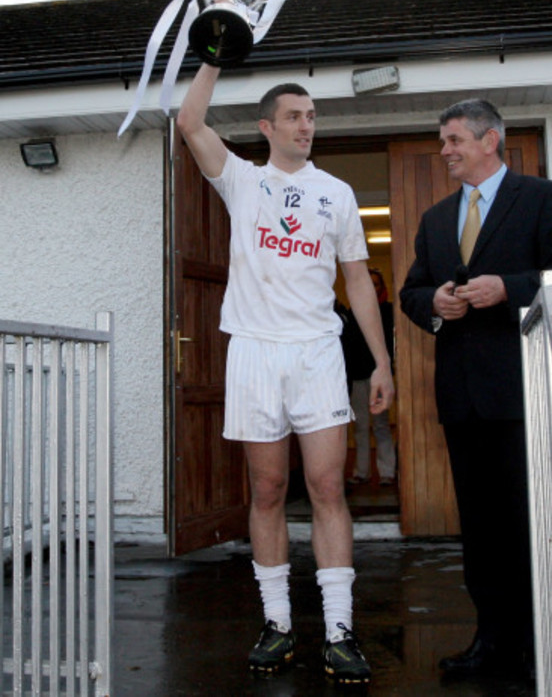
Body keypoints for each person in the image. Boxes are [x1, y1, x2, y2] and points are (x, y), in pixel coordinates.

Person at [177, 64, 394, 686]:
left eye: (312, 117)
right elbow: (189, 122)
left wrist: (381, 361)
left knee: (328, 487)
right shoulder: (242, 180)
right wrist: (216, 52)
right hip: (253, 351)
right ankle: (276, 624)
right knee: (268, 490)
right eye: (295, 117)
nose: (307, 126)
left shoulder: (338, 192)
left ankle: (339, 630)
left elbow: (356, 278)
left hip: (318, 353)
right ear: (267, 126)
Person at [399, 99, 552, 680]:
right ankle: (492, 642)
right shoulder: (434, 220)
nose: (446, 151)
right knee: (479, 529)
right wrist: (433, 301)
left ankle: (538, 648)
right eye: (443, 141)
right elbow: (411, 292)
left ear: (490, 140)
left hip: (522, 394)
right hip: (461, 399)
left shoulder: (541, 197)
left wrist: (507, 288)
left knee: (525, 523)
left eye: (455, 140)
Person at [345, 268, 396, 486]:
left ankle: (387, 472)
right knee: (360, 427)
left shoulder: (389, 312)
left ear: (381, 287)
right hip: (358, 377)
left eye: (376, 284)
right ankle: (361, 472)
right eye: (369, 283)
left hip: (379, 376)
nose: (372, 288)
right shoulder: (351, 313)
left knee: (381, 425)